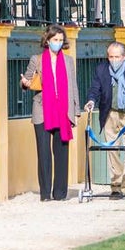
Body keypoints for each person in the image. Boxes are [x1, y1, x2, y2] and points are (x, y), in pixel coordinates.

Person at [19, 24, 79, 201]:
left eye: (60, 40)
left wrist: (76, 110)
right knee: (43, 152)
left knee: (61, 152)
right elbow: (26, 81)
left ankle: (60, 193)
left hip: (63, 110)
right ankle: (45, 193)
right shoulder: (36, 59)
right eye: (55, 39)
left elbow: (73, 86)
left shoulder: (68, 61)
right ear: (47, 40)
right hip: (42, 109)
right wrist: (25, 83)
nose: (58, 43)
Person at [83, 42, 125, 199]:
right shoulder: (101, 69)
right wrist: (91, 101)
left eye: (117, 57)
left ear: (123, 57)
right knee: (111, 150)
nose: (114, 60)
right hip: (110, 113)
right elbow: (95, 89)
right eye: (111, 57)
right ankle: (116, 186)